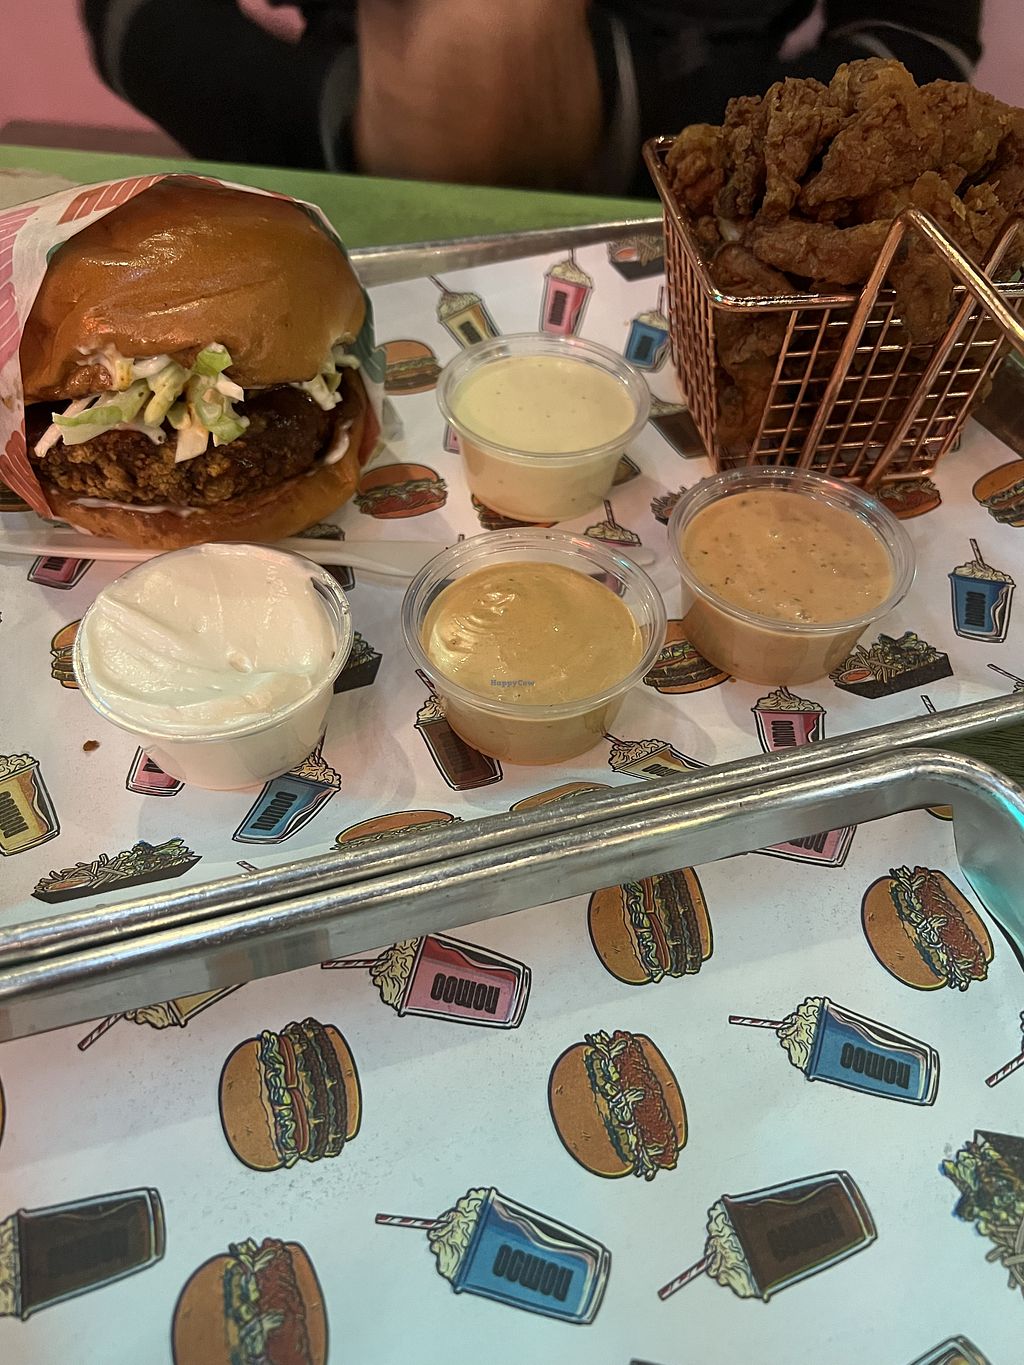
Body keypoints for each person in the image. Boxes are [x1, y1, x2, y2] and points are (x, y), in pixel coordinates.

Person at [82, 0, 984, 195]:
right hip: (335, 172)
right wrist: (338, 114)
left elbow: (917, 43)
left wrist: (633, 115)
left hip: (718, 199)